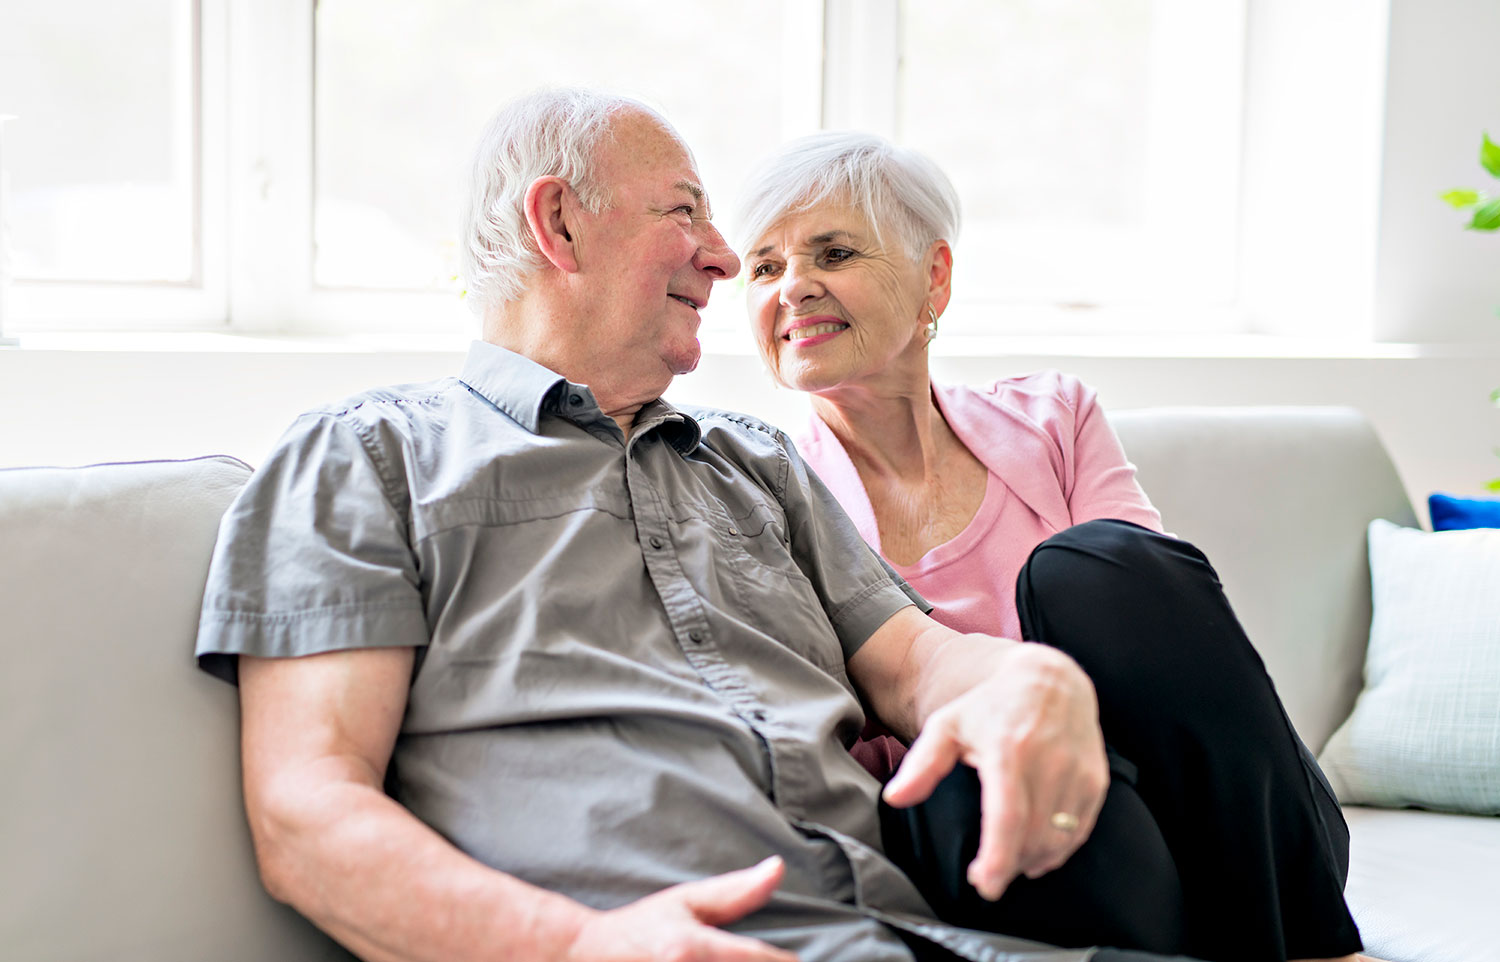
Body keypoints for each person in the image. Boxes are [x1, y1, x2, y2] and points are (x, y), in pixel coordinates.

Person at [193, 88, 1195, 962]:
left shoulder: (755, 460)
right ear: (559, 225)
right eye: (686, 215)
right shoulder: (368, 457)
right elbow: (307, 813)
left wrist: (1029, 676)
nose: (725, 260)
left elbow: (919, 661)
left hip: (917, 936)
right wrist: (574, 944)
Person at [735, 130, 1370, 962]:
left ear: (936, 276)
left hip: (1238, 825)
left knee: (1099, 565)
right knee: (962, 774)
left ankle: (1324, 950)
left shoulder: (1055, 417)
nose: (794, 289)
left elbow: (1171, 642)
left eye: (834, 252)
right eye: (764, 267)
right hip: (1060, 844)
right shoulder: (766, 493)